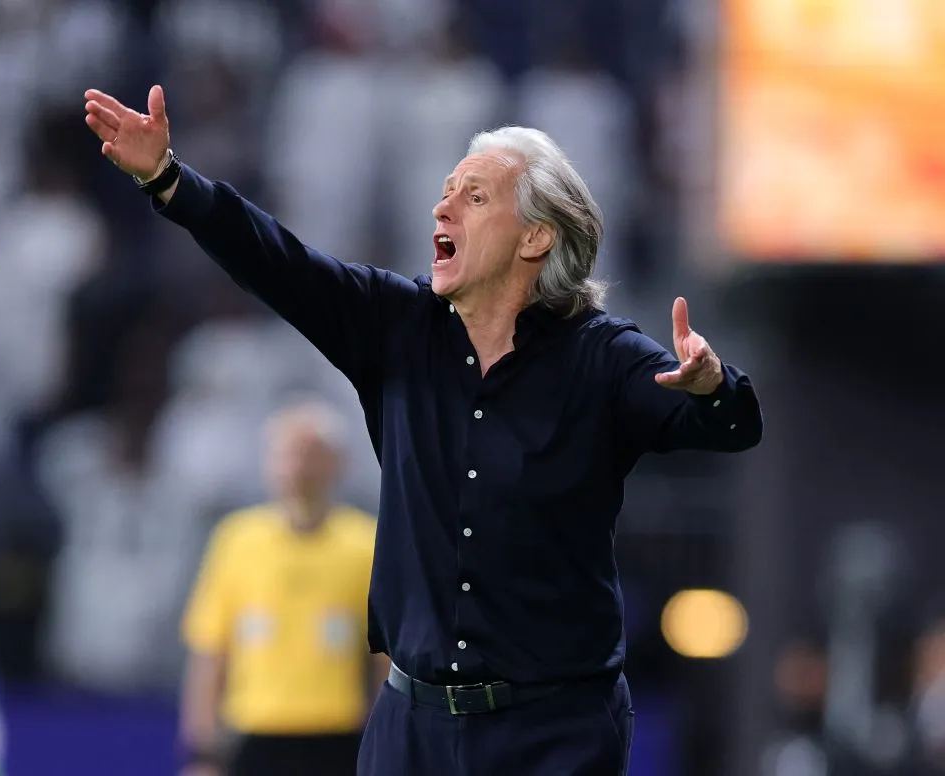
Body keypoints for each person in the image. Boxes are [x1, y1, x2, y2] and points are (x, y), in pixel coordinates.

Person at [83, 84, 763, 776]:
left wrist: (714, 387)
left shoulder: (602, 357)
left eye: (474, 197)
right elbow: (277, 261)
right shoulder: (397, 325)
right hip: (413, 730)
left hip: (554, 733)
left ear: (536, 236)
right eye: (445, 191)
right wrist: (168, 179)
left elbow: (728, 426)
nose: (442, 206)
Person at [179, 400, 385, 776]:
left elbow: (382, 658)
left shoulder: (364, 544)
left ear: (336, 463)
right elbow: (210, 650)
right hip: (254, 730)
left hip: (336, 731)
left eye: (310, 454)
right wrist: (202, 753)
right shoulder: (237, 540)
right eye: (287, 454)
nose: (297, 468)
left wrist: (385, 740)